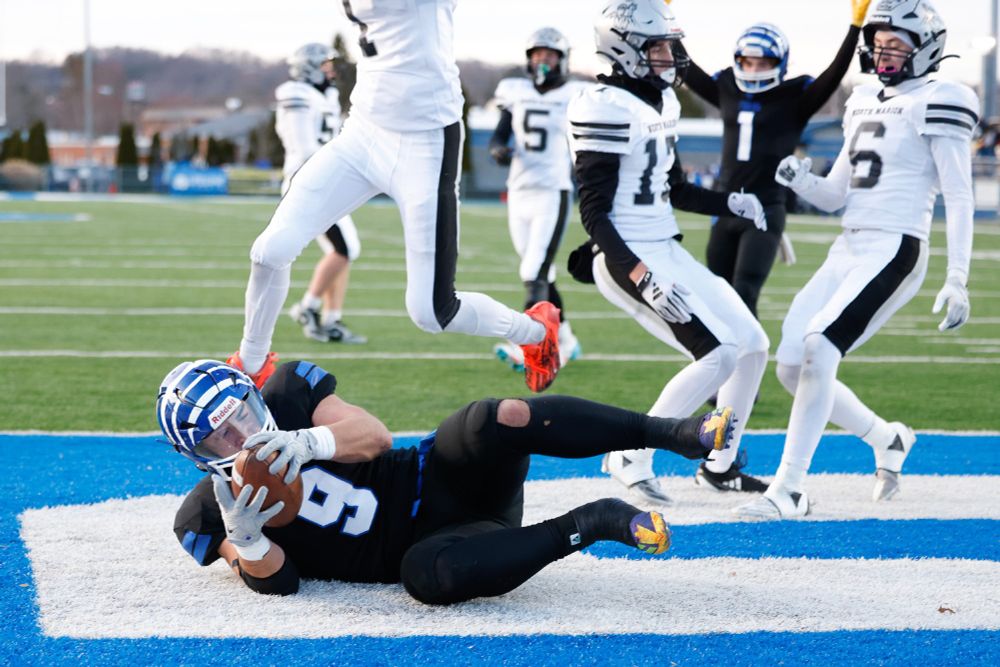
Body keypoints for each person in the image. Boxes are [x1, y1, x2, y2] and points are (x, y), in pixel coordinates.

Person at [157, 359, 735, 603]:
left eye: (242, 417)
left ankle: (673, 432)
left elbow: (374, 437)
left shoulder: (288, 394)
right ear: (195, 456)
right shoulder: (208, 511)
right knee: (429, 579)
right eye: (221, 439)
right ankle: (590, 522)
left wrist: (307, 441)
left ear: (254, 397)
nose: (242, 438)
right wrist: (251, 541)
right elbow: (279, 586)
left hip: (436, 479)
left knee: (494, 417)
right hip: (442, 546)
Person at [229, 1, 561, 394]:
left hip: (427, 141)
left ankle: (534, 331)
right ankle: (250, 367)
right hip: (364, 132)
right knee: (270, 251)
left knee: (431, 312)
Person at [736, 0, 978, 519]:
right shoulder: (865, 98)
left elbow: (959, 195)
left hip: (896, 245)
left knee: (821, 349)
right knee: (789, 365)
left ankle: (790, 489)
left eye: (898, 45)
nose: (885, 54)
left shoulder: (941, 98)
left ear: (926, 48)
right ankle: (886, 438)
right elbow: (834, 196)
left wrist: (958, 276)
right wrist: (803, 181)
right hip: (848, 244)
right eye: (880, 43)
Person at [570, 0, 770, 506]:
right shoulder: (602, 106)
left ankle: (720, 463)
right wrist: (640, 273)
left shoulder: (663, 103)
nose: (670, 55)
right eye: (657, 46)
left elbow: (674, 188)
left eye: (669, 44)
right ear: (624, 49)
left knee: (752, 343)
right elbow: (594, 214)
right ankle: (630, 454)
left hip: (665, 244)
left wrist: (731, 202)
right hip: (626, 256)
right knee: (718, 353)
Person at [680, 0, 873, 317]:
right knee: (718, 297)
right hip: (724, 206)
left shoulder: (794, 98)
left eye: (763, 62)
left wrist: (855, 29)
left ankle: (747, 364)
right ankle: (722, 364)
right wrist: (661, 19)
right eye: (748, 62)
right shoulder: (727, 87)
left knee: (744, 294)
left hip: (766, 208)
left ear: (780, 63)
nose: (754, 69)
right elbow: (684, 66)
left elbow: (834, 74)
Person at [488, 27, 591, 373]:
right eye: (537, 55)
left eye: (549, 55)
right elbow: (500, 134)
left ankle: (528, 346)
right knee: (541, 271)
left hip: (552, 190)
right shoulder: (513, 91)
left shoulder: (576, 94)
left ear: (562, 60)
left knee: (533, 270)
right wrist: (498, 150)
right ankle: (567, 337)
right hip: (519, 191)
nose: (542, 61)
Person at [276, 43, 366, 345]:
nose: (330, 70)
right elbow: (303, 147)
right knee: (346, 249)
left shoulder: (323, 94)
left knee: (341, 252)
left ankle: (330, 319)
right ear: (309, 66)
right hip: (310, 181)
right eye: (325, 64)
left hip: (327, 180)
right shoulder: (296, 94)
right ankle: (308, 307)